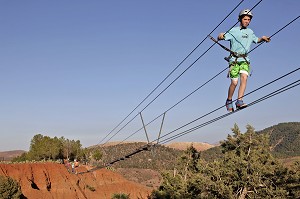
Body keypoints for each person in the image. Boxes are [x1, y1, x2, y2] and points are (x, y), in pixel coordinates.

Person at [217, 9, 270, 112]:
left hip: (245, 59)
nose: (247, 21)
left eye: (249, 19)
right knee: (235, 82)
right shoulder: (233, 31)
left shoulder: (250, 32)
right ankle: (229, 100)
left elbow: (256, 40)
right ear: (240, 19)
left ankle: (239, 101)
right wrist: (220, 36)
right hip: (234, 60)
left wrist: (262, 38)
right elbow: (222, 37)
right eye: (245, 19)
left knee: (244, 78)